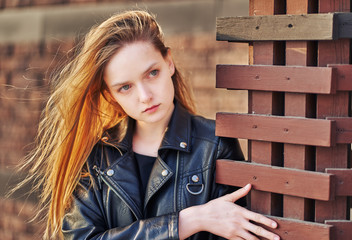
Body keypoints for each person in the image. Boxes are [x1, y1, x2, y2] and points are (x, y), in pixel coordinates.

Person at [22, 10, 280, 240]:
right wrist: (188, 222)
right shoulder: (96, 157)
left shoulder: (214, 145)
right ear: (111, 95)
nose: (145, 95)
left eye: (152, 73)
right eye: (126, 87)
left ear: (169, 62)